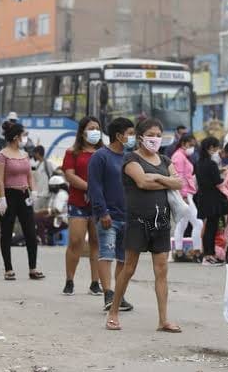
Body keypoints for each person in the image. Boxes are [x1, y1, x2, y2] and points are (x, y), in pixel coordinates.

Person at [105, 118, 183, 332]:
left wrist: (157, 177)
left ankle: (163, 320)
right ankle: (113, 312)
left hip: (162, 222)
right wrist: (164, 179)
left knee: (161, 270)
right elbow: (142, 182)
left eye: (159, 135)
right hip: (137, 221)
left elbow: (179, 182)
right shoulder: (130, 159)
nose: (155, 139)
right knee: (129, 268)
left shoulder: (166, 160)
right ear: (140, 137)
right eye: (151, 134)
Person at [88, 117, 136, 311]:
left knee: (123, 259)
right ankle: (108, 293)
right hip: (108, 216)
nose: (133, 137)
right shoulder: (100, 156)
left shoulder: (130, 157)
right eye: (130, 133)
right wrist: (102, 212)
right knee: (106, 255)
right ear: (118, 135)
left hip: (128, 216)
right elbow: (95, 186)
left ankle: (119, 295)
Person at [0, 120, 44, 281]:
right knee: (7, 232)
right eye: (23, 135)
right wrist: (2, 199)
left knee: (30, 232)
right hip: (8, 195)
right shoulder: (1, 155)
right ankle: (8, 269)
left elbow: (29, 175)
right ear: (16, 137)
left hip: (24, 196)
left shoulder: (24, 155)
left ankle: (33, 268)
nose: (24, 138)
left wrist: (34, 191)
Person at [61, 116, 103, 296]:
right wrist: (89, 188)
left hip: (99, 204)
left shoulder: (103, 152)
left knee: (97, 242)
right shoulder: (72, 152)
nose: (95, 131)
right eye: (91, 128)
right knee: (76, 241)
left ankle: (96, 282)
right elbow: (69, 175)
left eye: (97, 128)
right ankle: (69, 280)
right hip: (78, 203)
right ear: (82, 131)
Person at [195, 136, 228, 266]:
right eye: (215, 147)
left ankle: (208, 254)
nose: (217, 150)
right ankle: (209, 255)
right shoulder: (211, 164)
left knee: (208, 227)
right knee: (211, 229)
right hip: (213, 201)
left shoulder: (199, 163)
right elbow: (217, 182)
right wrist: (225, 177)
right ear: (210, 148)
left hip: (203, 198)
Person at [170, 133, 203, 263]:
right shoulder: (179, 157)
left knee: (182, 223)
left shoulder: (180, 156)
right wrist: (182, 195)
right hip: (184, 194)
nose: (192, 148)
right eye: (190, 145)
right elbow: (179, 177)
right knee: (197, 223)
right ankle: (197, 251)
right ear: (183, 144)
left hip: (185, 194)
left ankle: (179, 251)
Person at [36, 175, 69, 245]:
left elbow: (57, 210)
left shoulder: (62, 194)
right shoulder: (55, 194)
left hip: (61, 220)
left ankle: (43, 241)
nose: (50, 188)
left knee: (39, 219)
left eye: (52, 186)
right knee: (39, 217)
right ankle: (47, 240)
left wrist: (42, 212)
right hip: (56, 218)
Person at [30, 145, 55, 212]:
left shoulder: (48, 164)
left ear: (38, 153)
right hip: (38, 195)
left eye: (34, 153)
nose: (34, 155)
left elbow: (54, 175)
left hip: (45, 194)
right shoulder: (37, 165)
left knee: (41, 214)